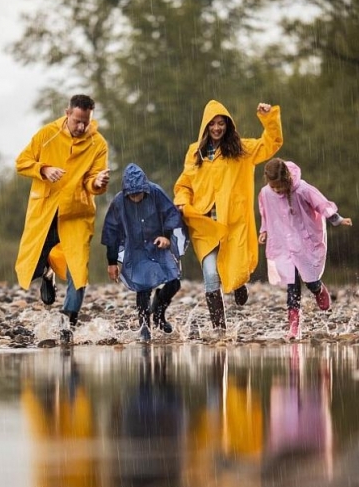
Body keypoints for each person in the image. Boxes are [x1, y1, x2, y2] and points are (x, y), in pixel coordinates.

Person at [174, 100, 282, 333]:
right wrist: (182, 201)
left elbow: (271, 143)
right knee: (210, 274)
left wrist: (269, 118)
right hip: (204, 224)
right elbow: (184, 184)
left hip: (232, 222)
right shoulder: (195, 152)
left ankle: (239, 283)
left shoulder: (241, 150)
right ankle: (219, 330)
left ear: (228, 125)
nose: (217, 128)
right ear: (205, 126)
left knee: (237, 266)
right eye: (212, 124)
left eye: (221, 123)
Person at [14, 94, 110, 344]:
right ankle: (47, 272)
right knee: (31, 265)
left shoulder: (98, 143)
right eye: (77, 120)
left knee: (78, 271)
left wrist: (98, 182)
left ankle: (68, 323)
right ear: (67, 113)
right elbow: (22, 163)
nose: (82, 126)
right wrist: (44, 169)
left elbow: (93, 181)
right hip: (46, 210)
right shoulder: (47, 134)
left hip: (77, 213)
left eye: (86, 121)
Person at [258, 158, 352, 339]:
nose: (276, 190)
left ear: (286, 179)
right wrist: (264, 230)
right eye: (273, 187)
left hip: (304, 240)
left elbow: (321, 203)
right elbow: (266, 213)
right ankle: (294, 325)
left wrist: (337, 219)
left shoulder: (302, 189)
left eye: (279, 187)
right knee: (292, 283)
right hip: (283, 242)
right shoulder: (266, 193)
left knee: (310, 279)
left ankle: (318, 289)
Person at [101, 163, 183, 342]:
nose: (135, 197)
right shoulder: (119, 202)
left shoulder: (156, 192)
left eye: (139, 194)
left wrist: (166, 236)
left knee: (174, 282)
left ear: (145, 189)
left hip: (157, 244)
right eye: (131, 195)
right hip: (136, 248)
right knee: (142, 287)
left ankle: (159, 311)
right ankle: (144, 327)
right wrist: (112, 262)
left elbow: (171, 214)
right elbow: (111, 231)